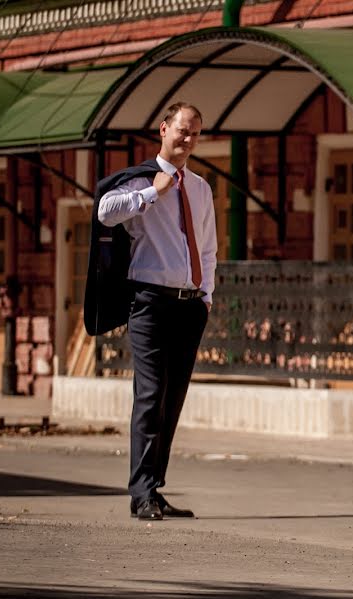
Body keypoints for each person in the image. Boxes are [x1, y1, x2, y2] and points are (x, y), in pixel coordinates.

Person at [97, 102, 217, 521]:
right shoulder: (140, 179)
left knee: (172, 399)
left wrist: (206, 296)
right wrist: (154, 191)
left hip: (188, 306)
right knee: (149, 396)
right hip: (148, 302)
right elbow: (105, 212)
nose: (188, 139)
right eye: (183, 130)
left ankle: (155, 487)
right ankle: (141, 493)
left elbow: (207, 247)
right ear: (163, 128)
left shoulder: (201, 188)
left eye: (196, 133)